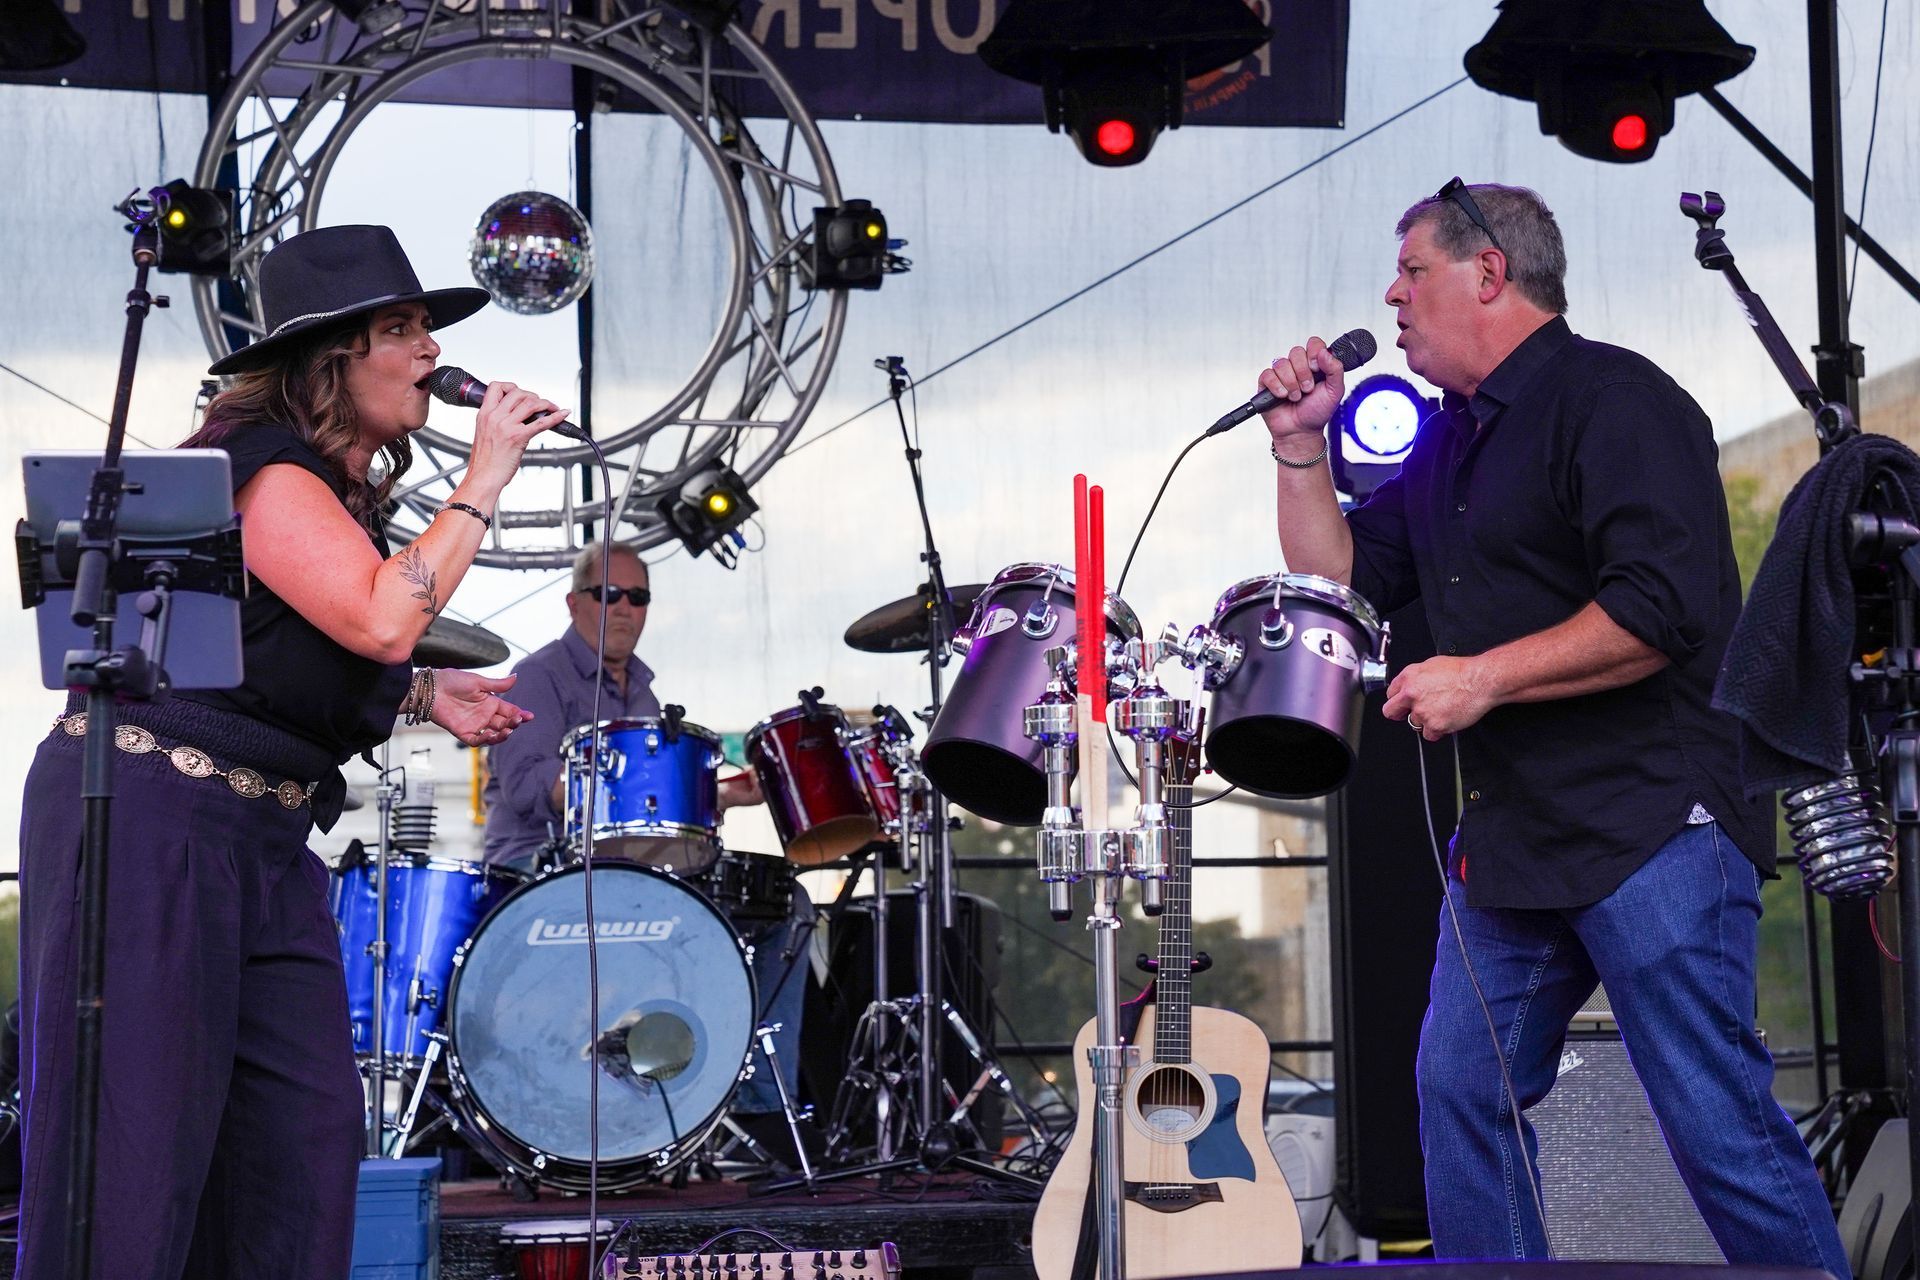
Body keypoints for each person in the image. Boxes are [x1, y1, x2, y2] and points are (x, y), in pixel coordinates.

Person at [1256, 181, 1849, 1272]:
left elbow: (1661, 612)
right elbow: (1339, 579)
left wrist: (1481, 678)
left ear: (1489, 272)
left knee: (1713, 1122)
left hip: (1653, 823)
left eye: (1412, 271)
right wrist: (1299, 445)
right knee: (1458, 1089)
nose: (1391, 296)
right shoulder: (1446, 444)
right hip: (1515, 840)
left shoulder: (1618, 401)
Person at [16, 223, 566, 1279]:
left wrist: (425, 695)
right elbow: (382, 618)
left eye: (428, 328)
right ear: (329, 358)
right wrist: (485, 477)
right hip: (155, 816)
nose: (431, 352)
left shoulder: (330, 490)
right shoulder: (260, 464)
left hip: (263, 837)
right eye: (400, 330)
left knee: (299, 1145)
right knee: (135, 1148)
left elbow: (274, 657)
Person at [479, 543, 811, 1144]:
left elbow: (655, 806)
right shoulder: (537, 678)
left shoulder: (643, 691)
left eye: (638, 597)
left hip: (629, 874)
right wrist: (608, 783)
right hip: (535, 871)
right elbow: (526, 788)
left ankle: (756, 1108)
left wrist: (723, 794)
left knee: (786, 907)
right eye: (609, 594)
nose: (624, 608)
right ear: (574, 602)